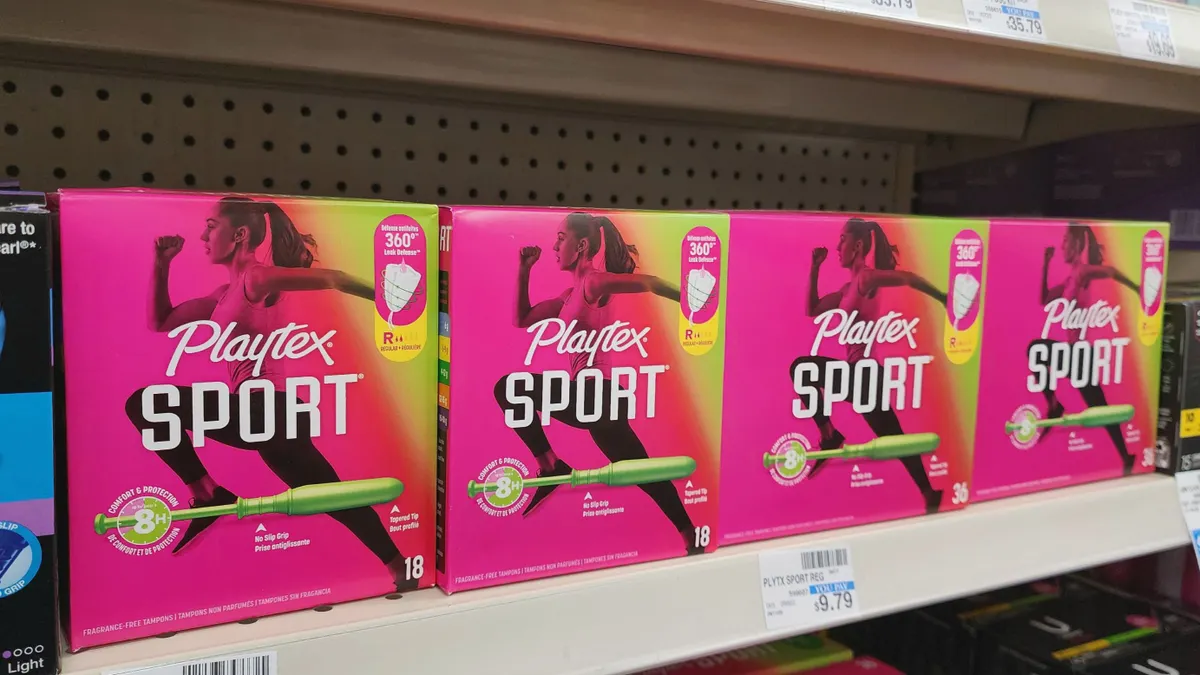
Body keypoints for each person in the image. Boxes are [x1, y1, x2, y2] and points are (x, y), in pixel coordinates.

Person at [124, 197, 417, 590]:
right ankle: (399, 566)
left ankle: (208, 497)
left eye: (211, 226)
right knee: (331, 496)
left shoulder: (255, 279)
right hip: (266, 415)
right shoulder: (221, 295)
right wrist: (163, 262)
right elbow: (161, 322)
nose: (203, 235)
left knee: (149, 403)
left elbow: (336, 278)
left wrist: (396, 303)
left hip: (266, 410)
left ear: (240, 234)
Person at [494, 212, 701, 553]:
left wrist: (695, 302)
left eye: (561, 238)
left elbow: (648, 282)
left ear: (582, 245)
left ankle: (551, 465)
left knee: (511, 387)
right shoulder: (568, 295)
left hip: (596, 395)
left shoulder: (593, 283)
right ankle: (691, 535)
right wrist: (524, 269)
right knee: (642, 470)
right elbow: (522, 319)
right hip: (592, 398)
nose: (554, 245)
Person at [791, 217, 947, 513]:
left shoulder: (866, 278)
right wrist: (815, 268)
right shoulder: (847, 289)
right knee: (804, 371)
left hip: (865, 375)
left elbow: (908, 278)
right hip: (856, 374)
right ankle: (928, 491)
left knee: (893, 436)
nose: (837, 246)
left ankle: (928, 492)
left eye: (842, 240)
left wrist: (942, 296)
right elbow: (812, 309)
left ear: (858, 245)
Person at [1031, 222, 1140, 474]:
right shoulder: (1070, 279)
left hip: (1081, 355)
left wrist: (1138, 289)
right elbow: (1044, 299)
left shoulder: (1082, 273)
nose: (1062, 245)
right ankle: (1055, 405)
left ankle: (1126, 456)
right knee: (1037, 351)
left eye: (1066, 241)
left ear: (1078, 245)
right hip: (1072, 353)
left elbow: (1111, 270)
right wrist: (1046, 263)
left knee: (1100, 408)